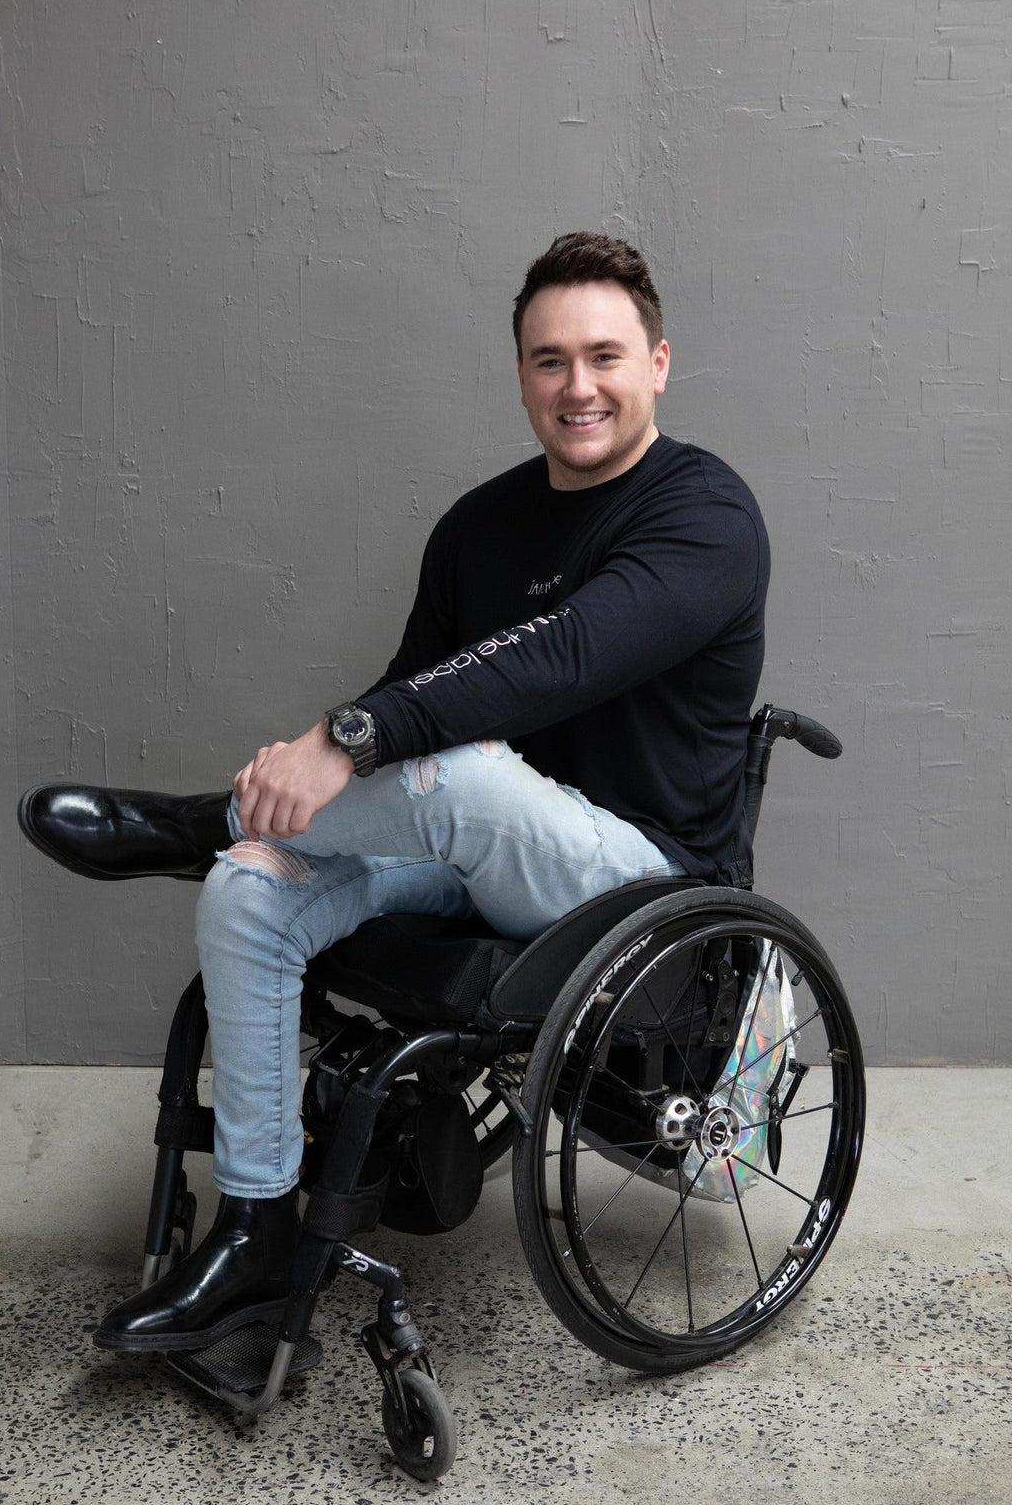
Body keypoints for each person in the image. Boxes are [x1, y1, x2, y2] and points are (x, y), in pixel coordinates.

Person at [93, 230, 770, 1353]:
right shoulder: (477, 527)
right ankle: (255, 1232)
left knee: (449, 768)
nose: (578, 385)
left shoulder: (706, 514)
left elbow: (562, 656)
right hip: (475, 853)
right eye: (549, 360)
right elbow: (415, 700)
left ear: (658, 363)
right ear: (521, 377)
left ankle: (181, 822)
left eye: (605, 355)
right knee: (248, 887)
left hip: (640, 883)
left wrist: (345, 736)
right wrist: (348, 750)